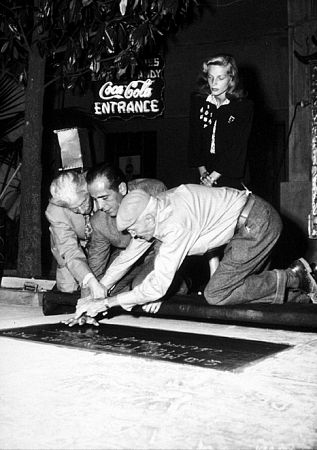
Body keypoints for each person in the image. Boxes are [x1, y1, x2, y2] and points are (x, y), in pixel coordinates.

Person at [74, 184, 317, 321]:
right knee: (246, 291)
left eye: (134, 229)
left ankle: (294, 276)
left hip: (255, 225)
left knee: (217, 294)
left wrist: (108, 302)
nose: (134, 236)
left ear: (147, 218)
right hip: (247, 224)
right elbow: (128, 256)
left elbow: (158, 286)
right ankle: (303, 293)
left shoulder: (174, 224)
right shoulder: (156, 208)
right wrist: (100, 289)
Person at [45, 166, 167, 300]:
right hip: (76, 250)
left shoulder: (98, 185)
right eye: (74, 209)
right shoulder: (56, 212)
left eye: (84, 202)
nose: (82, 210)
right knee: (68, 292)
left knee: (147, 286)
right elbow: (71, 251)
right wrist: (89, 294)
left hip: (144, 246)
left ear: (87, 189)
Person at [188, 54, 253, 190]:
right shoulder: (198, 101)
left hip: (230, 176)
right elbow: (194, 139)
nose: (214, 83)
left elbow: (237, 148)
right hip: (203, 174)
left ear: (231, 78)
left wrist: (212, 178)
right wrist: (203, 173)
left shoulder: (243, 107)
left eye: (220, 78)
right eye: (210, 77)